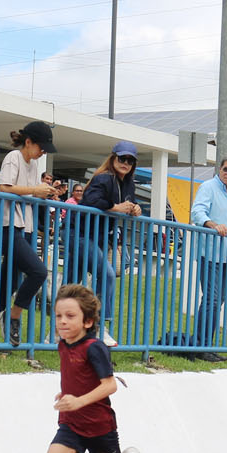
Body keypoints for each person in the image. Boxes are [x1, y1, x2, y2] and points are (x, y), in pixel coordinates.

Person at [19, 284, 156, 453]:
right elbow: (78, 376)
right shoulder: (62, 345)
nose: (62, 321)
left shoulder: (95, 348)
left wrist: (79, 399)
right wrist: (68, 393)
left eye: (70, 316)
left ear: (88, 321)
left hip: (99, 426)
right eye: (59, 316)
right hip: (71, 423)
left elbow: (109, 385)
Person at [0, 120, 57, 346]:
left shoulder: (33, 165)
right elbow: (4, 187)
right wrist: (36, 190)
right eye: (40, 146)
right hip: (8, 225)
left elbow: (29, 193)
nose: (43, 152)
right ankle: (13, 316)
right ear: (28, 142)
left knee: (8, 281)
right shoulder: (13, 157)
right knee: (38, 271)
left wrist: (44, 193)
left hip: (24, 226)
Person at [72, 140, 144, 347]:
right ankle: (98, 327)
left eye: (130, 161)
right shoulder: (103, 178)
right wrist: (116, 207)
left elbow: (129, 203)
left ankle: (64, 331)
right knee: (105, 275)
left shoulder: (128, 183)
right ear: (113, 158)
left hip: (99, 237)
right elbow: (91, 201)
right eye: (122, 158)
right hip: (81, 234)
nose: (126, 163)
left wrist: (136, 209)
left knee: (73, 284)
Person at [189, 156, 227, 361]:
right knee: (211, 299)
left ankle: (205, 345)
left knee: (218, 300)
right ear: (219, 169)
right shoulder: (208, 186)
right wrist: (214, 225)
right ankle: (201, 347)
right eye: (226, 169)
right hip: (210, 252)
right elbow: (197, 212)